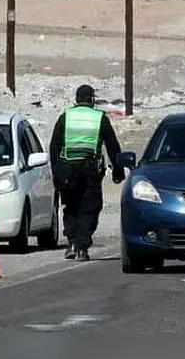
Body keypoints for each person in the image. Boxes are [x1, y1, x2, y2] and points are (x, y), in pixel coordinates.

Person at [48, 84, 124, 261]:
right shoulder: (99, 118)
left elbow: (54, 146)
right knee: (89, 208)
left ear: (76, 100)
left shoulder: (65, 117)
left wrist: (56, 173)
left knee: (71, 207)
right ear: (92, 100)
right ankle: (82, 247)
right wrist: (118, 171)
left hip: (67, 170)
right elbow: (113, 146)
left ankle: (73, 243)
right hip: (90, 171)